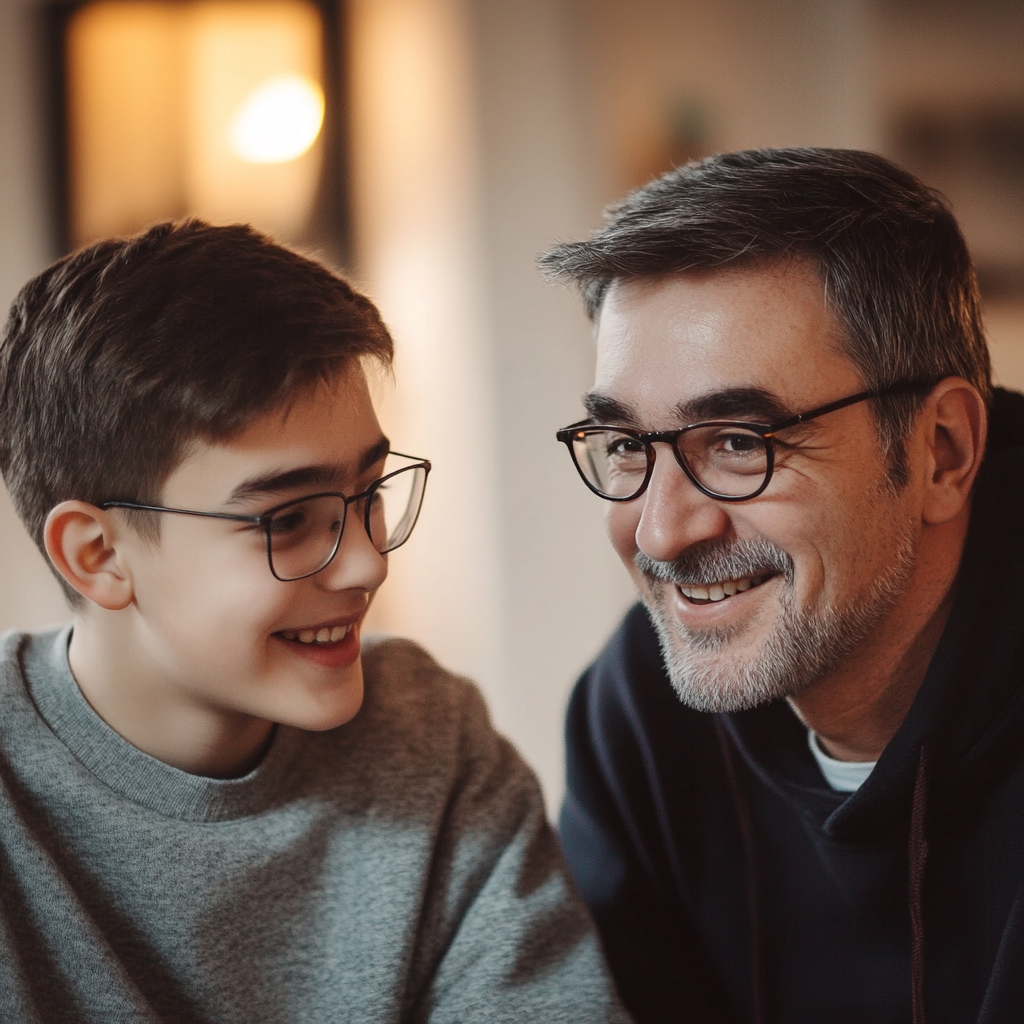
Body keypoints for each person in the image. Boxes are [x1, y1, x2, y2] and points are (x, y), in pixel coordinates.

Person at [0, 220, 628, 1023]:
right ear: (97, 555)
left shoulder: (433, 740)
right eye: (288, 519)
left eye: (368, 496)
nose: (367, 562)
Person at [541, 148, 1024, 1024]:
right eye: (626, 447)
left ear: (941, 452)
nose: (660, 532)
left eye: (737, 442)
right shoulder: (638, 719)